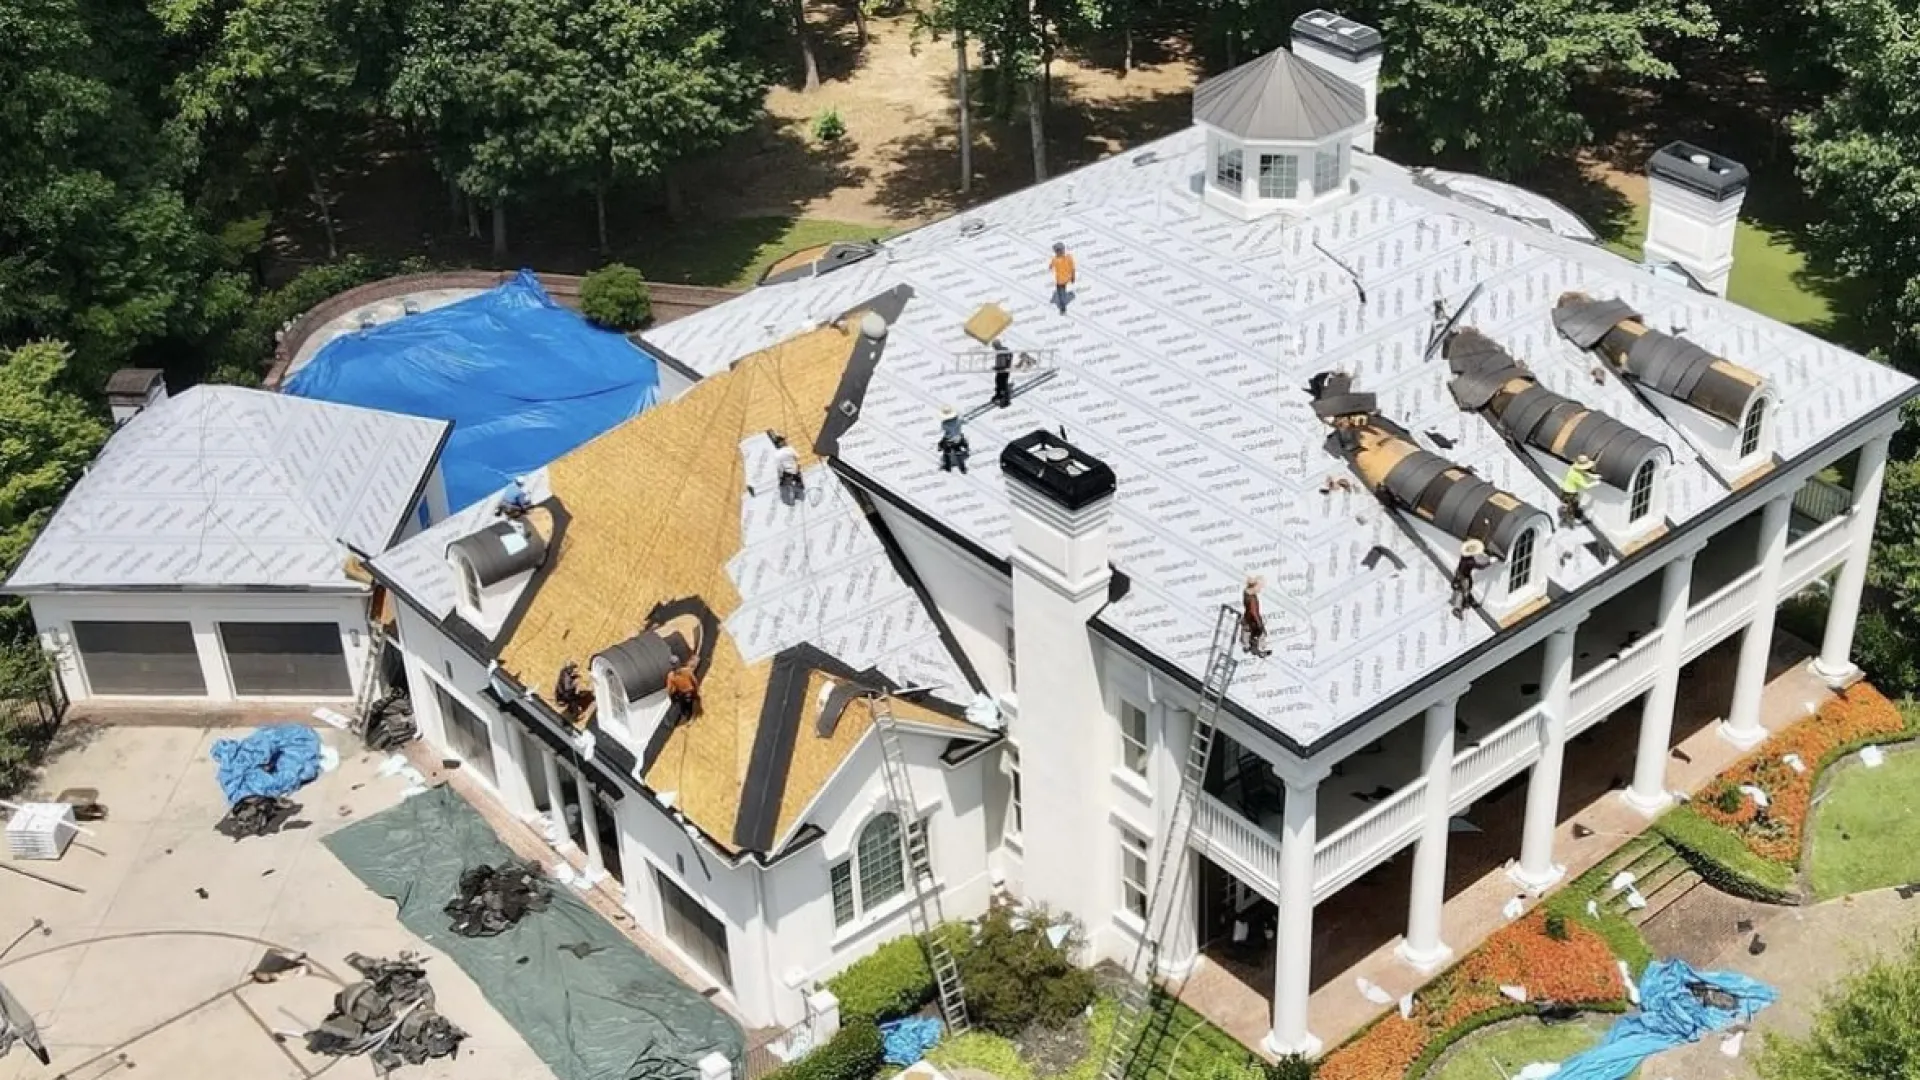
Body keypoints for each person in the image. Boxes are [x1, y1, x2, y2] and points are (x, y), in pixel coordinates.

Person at [1451, 539, 1492, 616]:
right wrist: (1489, 562)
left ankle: (1455, 600)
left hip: (1459, 573)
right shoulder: (1470, 561)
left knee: (1460, 589)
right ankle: (1457, 609)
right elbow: (1480, 567)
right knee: (1463, 592)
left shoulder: (1464, 556)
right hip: (1464, 577)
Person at [1559, 455, 1598, 522]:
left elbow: (1583, 473)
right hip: (1571, 494)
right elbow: (1586, 486)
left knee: (1568, 503)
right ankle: (1570, 516)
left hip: (1564, 489)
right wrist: (1596, 483)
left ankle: (1566, 509)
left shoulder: (1573, 468)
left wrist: (1593, 476)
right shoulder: (1578, 476)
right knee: (1573, 505)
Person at [1241, 575, 1272, 657]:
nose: (1260, 589)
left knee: (1246, 632)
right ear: (1255, 586)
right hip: (1252, 620)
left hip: (1247, 618)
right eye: (1259, 587)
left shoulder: (1246, 593)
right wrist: (1259, 624)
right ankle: (1260, 651)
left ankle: (1247, 646)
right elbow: (1254, 612)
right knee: (1261, 634)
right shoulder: (1252, 599)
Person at [769, 431, 803, 505]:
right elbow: (798, 456)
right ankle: (799, 494)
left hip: (788, 473)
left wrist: (781, 476)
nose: (785, 441)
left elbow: (779, 467)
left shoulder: (776, 454)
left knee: (789, 486)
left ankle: (792, 499)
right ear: (781, 442)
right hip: (796, 471)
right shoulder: (790, 449)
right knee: (799, 485)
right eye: (783, 441)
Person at [665, 656, 700, 726]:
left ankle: (684, 716)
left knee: (683, 704)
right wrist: (697, 689)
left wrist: (671, 697)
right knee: (696, 701)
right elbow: (695, 681)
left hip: (682, 694)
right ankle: (693, 716)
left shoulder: (670, 676)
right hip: (691, 691)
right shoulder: (687, 670)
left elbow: (669, 689)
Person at [937, 406, 971, 473]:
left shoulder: (944, 423)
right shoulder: (958, 420)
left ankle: (948, 467)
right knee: (958, 453)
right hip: (958, 438)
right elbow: (966, 421)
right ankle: (963, 469)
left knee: (946, 452)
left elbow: (945, 430)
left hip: (949, 440)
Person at [1049, 242, 1076, 315]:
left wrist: (1073, 276)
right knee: (1062, 292)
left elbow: (1072, 268)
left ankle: (1063, 308)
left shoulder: (1058, 259)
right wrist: (1073, 277)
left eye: (1057, 251)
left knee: (1061, 294)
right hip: (1063, 279)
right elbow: (1073, 268)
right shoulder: (1068, 257)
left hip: (1061, 280)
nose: (1057, 252)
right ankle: (1063, 306)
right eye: (1056, 251)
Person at [991, 340, 1014, 408]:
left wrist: (1003, 367)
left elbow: (1005, 360)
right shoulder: (999, 351)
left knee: (1003, 384)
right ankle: (998, 395)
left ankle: (1006, 400)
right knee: (998, 382)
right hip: (1001, 370)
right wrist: (997, 368)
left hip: (1004, 371)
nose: (994, 348)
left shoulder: (1003, 351)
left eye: (994, 346)